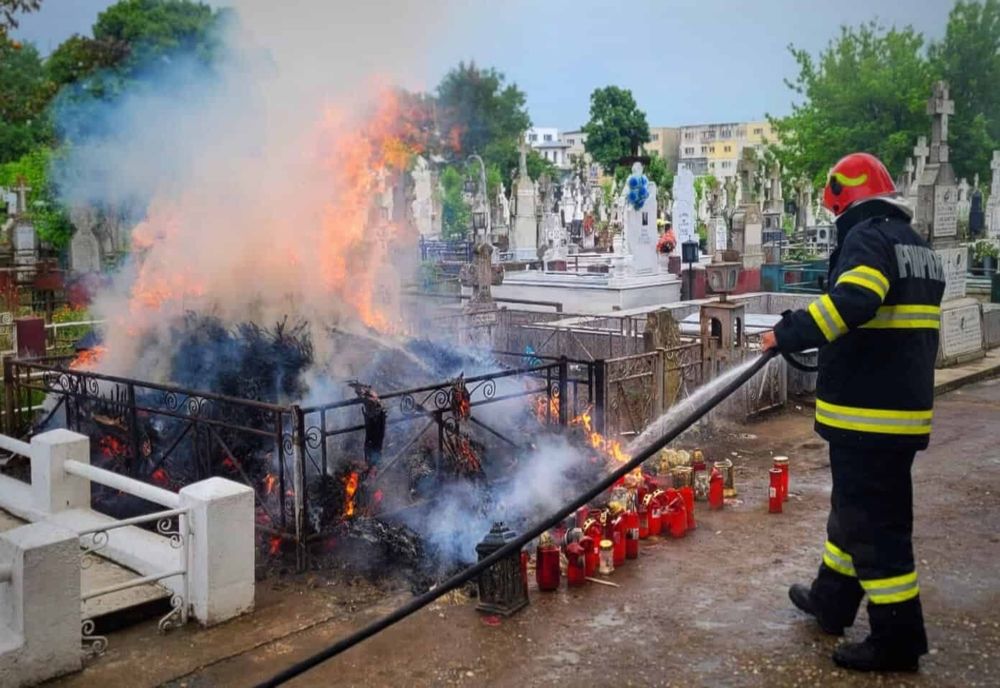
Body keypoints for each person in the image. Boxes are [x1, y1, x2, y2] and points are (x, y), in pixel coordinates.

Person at [761, 152, 945, 672]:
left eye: (835, 211)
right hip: (899, 413)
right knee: (853, 513)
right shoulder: (916, 245)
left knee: (876, 527)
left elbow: (855, 302)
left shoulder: (868, 238)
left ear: (848, 202)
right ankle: (832, 600)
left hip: (869, 414)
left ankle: (897, 637)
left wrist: (788, 331)